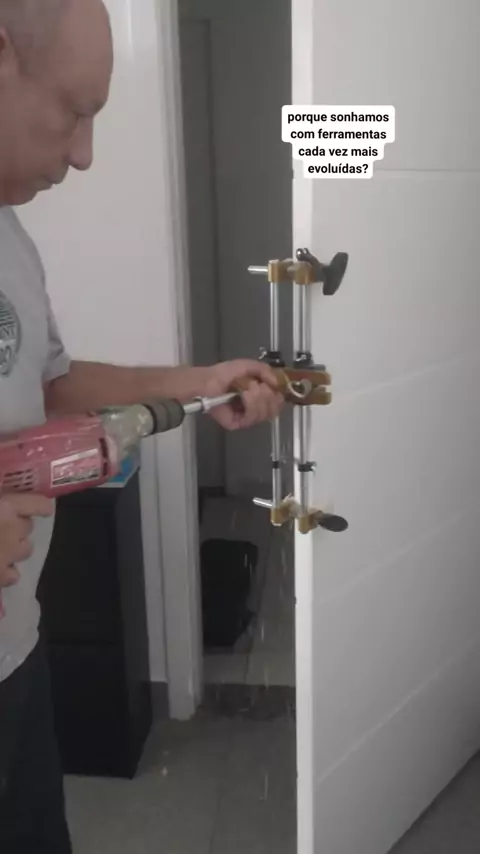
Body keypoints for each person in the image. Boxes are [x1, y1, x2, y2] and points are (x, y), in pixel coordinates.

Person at [0, 1, 284, 850]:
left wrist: (194, 383)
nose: (85, 153)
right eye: (74, 111)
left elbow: (49, 384)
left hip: (15, 659)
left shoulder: (10, 236)